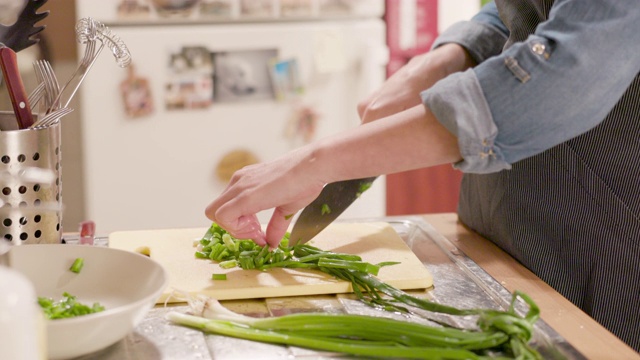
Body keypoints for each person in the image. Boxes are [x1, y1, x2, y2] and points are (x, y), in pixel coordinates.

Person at [206, 0, 640, 351]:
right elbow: (520, 10)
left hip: (605, 246)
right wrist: (449, 58)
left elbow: (563, 77)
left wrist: (316, 162)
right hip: (500, 232)